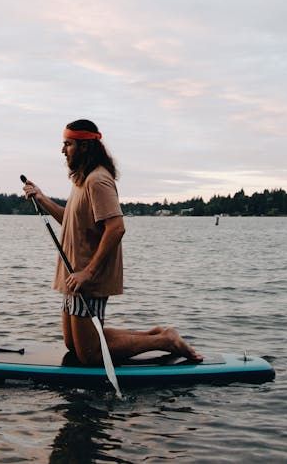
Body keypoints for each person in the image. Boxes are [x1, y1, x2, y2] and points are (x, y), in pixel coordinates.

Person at [21, 119, 202, 367]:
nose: (63, 150)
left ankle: (165, 342)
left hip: (88, 278)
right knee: (73, 344)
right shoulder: (82, 181)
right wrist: (42, 199)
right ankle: (157, 335)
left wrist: (88, 273)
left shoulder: (98, 181)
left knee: (90, 354)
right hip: (74, 275)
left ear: (84, 146)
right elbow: (71, 221)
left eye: (68, 144)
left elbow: (116, 228)